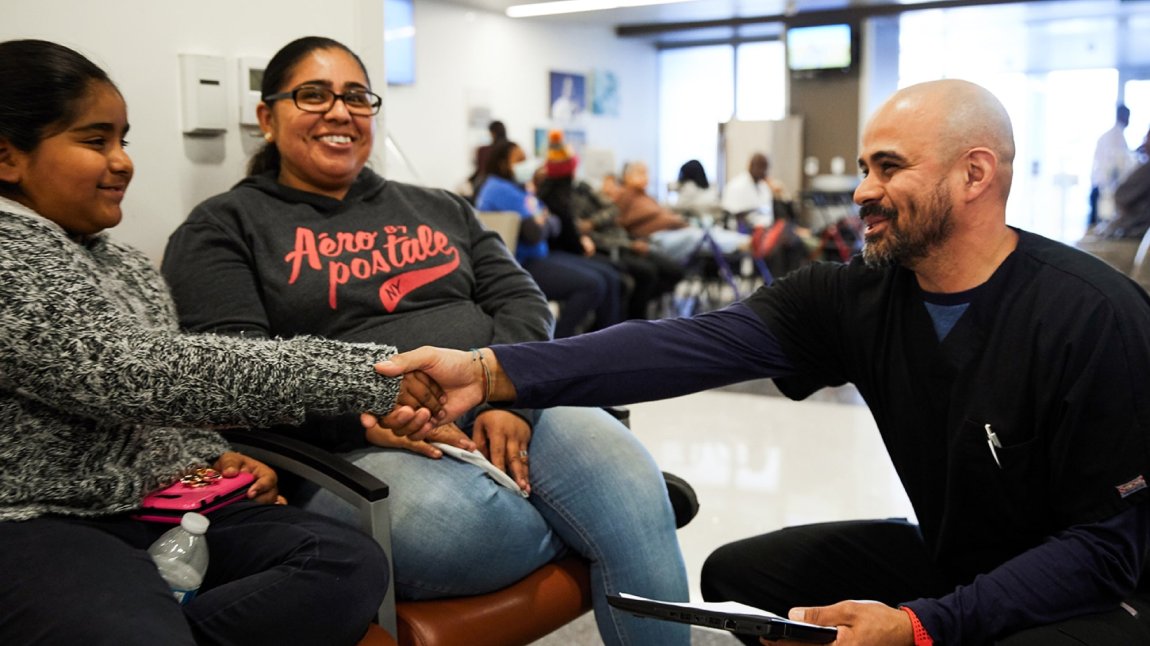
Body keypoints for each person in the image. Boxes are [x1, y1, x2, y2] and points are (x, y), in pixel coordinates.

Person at [381, 79, 1150, 646]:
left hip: (1092, 590)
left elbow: (1107, 549)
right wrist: (489, 372)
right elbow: (684, 346)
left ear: (974, 175)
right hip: (957, 558)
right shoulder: (858, 295)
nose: (861, 190)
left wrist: (923, 625)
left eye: (887, 167)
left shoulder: (1094, 316)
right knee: (744, 581)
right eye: (864, 167)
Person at [160, 36, 689, 646]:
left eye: (356, 97)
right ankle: (608, 527)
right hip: (360, 449)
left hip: (503, 401)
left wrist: (506, 396)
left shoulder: (441, 206)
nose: (340, 112)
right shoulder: (223, 227)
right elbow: (235, 375)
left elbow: (521, 301)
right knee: (488, 532)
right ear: (266, 117)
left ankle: (618, 521)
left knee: (628, 480)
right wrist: (362, 414)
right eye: (313, 95)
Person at [0, 38, 451, 646]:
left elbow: (160, 400)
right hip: (39, 518)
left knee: (346, 562)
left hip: (149, 500)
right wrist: (370, 371)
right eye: (95, 140)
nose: (123, 161)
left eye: (123, 140)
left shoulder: (123, 263)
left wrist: (204, 452)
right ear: (7, 157)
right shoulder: (11, 254)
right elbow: (127, 373)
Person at [476, 138, 624, 336]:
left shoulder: (515, 188)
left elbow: (553, 223)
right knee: (593, 285)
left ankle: (607, 342)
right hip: (521, 263)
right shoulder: (500, 189)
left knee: (607, 276)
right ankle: (561, 343)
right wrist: (542, 220)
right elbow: (534, 234)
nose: (526, 164)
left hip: (539, 255)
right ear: (503, 163)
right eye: (520, 160)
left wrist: (543, 220)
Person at [615, 160, 757, 264]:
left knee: (706, 231)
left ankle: (747, 241)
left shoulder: (645, 196)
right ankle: (744, 244)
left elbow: (662, 213)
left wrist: (670, 218)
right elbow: (622, 220)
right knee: (697, 238)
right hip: (655, 239)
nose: (645, 177)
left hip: (671, 232)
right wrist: (662, 216)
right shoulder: (625, 195)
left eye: (646, 173)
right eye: (640, 173)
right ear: (627, 176)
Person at [1090, 104, 1133, 228]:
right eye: (1128, 116)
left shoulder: (1114, 135)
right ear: (1122, 116)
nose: (1129, 120)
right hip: (1105, 187)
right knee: (1099, 223)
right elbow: (1116, 166)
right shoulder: (1115, 137)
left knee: (1099, 223)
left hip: (1102, 184)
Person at [721, 152, 791, 225]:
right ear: (750, 166)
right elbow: (732, 218)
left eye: (765, 169)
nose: (763, 172)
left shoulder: (764, 187)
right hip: (742, 233)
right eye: (760, 167)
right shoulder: (735, 186)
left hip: (765, 231)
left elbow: (768, 215)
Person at [468, 119, 506, 199]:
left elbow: (480, 171)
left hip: (484, 185)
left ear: (492, 133)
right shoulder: (512, 148)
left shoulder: (484, 150)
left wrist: (469, 180)